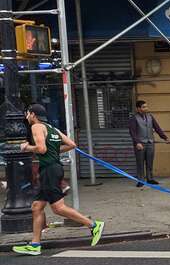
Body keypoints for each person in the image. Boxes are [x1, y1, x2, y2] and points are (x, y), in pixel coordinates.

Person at [13, 104, 105, 255]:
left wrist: (26, 147)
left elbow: (41, 149)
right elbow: (72, 144)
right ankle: (35, 245)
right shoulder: (52, 128)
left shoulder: (36, 127)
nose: (26, 116)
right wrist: (54, 150)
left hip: (49, 169)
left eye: (27, 114)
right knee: (37, 206)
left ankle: (93, 225)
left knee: (58, 208)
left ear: (33, 114)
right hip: (53, 168)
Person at [128, 100, 168, 187]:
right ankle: (141, 180)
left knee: (150, 162)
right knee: (140, 163)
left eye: (146, 106)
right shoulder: (133, 118)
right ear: (138, 109)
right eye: (144, 107)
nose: (146, 108)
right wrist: (137, 142)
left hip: (150, 142)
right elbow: (132, 132)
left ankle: (150, 179)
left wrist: (165, 138)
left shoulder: (150, 117)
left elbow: (157, 128)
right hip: (140, 144)